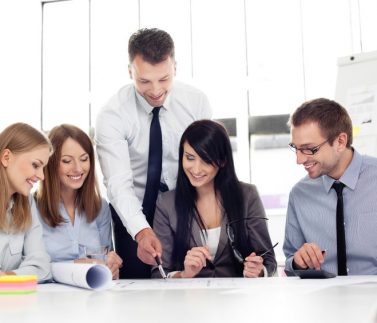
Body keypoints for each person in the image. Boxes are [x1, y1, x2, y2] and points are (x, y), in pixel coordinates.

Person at [95, 28, 211, 278]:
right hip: (132, 210)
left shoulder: (196, 102)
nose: (156, 90)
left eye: (164, 79)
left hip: (186, 206)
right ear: (130, 72)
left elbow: (208, 164)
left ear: (175, 68)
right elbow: (118, 184)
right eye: (144, 81)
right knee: (136, 291)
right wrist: (141, 230)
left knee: (191, 283)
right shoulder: (112, 115)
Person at [151, 120, 277, 278]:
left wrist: (259, 271)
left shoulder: (247, 195)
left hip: (238, 299)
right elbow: (159, 273)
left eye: (206, 160)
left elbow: (269, 261)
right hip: (189, 300)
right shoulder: (166, 203)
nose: (196, 169)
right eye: (190, 158)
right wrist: (184, 275)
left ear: (223, 161)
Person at [283, 98, 377, 275]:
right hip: (323, 300)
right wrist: (298, 262)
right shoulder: (299, 194)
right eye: (295, 148)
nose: (299, 160)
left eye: (309, 149)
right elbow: (290, 261)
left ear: (340, 141)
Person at [33, 124, 122, 279]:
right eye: (67, 161)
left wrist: (111, 267)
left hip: (92, 296)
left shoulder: (100, 207)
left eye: (84, 159)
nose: (78, 168)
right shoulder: (31, 206)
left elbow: (105, 259)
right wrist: (74, 266)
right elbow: (24, 268)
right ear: (51, 163)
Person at [0, 123, 51, 281]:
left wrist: (7, 278)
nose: (42, 176)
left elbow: (41, 265)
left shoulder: (27, 202)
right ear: (6, 157)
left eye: (43, 168)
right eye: (35, 165)